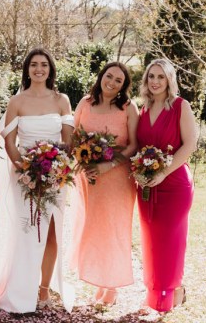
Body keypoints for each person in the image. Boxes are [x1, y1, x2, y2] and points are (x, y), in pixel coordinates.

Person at [0, 47, 75, 313]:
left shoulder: (61, 99)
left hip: (54, 177)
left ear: (50, 69)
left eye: (44, 64)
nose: (39, 69)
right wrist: (25, 168)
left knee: (51, 232)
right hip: (24, 176)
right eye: (34, 65)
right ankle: (21, 291)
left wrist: (53, 168)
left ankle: (43, 289)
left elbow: (68, 142)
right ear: (27, 69)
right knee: (26, 230)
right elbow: (9, 141)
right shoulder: (17, 101)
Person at [69, 62, 139, 307]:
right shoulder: (85, 103)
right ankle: (101, 281)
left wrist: (106, 166)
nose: (112, 82)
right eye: (109, 76)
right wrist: (82, 162)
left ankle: (111, 287)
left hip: (117, 177)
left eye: (118, 80)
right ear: (101, 77)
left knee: (114, 229)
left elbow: (133, 146)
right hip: (90, 178)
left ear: (123, 86)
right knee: (96, 229)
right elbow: (74, 138)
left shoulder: (129, 108)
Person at [135, 58, 197, 313]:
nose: (156, 81)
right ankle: (157, 293)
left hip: (174, 185)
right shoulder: (143, 109)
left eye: (161, 77)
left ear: (170, 79)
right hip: (147, 185)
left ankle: (168, 295)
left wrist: (164, 173)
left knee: (171, 240)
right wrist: (139, 172)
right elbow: (138, 147)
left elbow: (190, 144)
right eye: (151, 76)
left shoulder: (181, 107)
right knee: (151, 240)